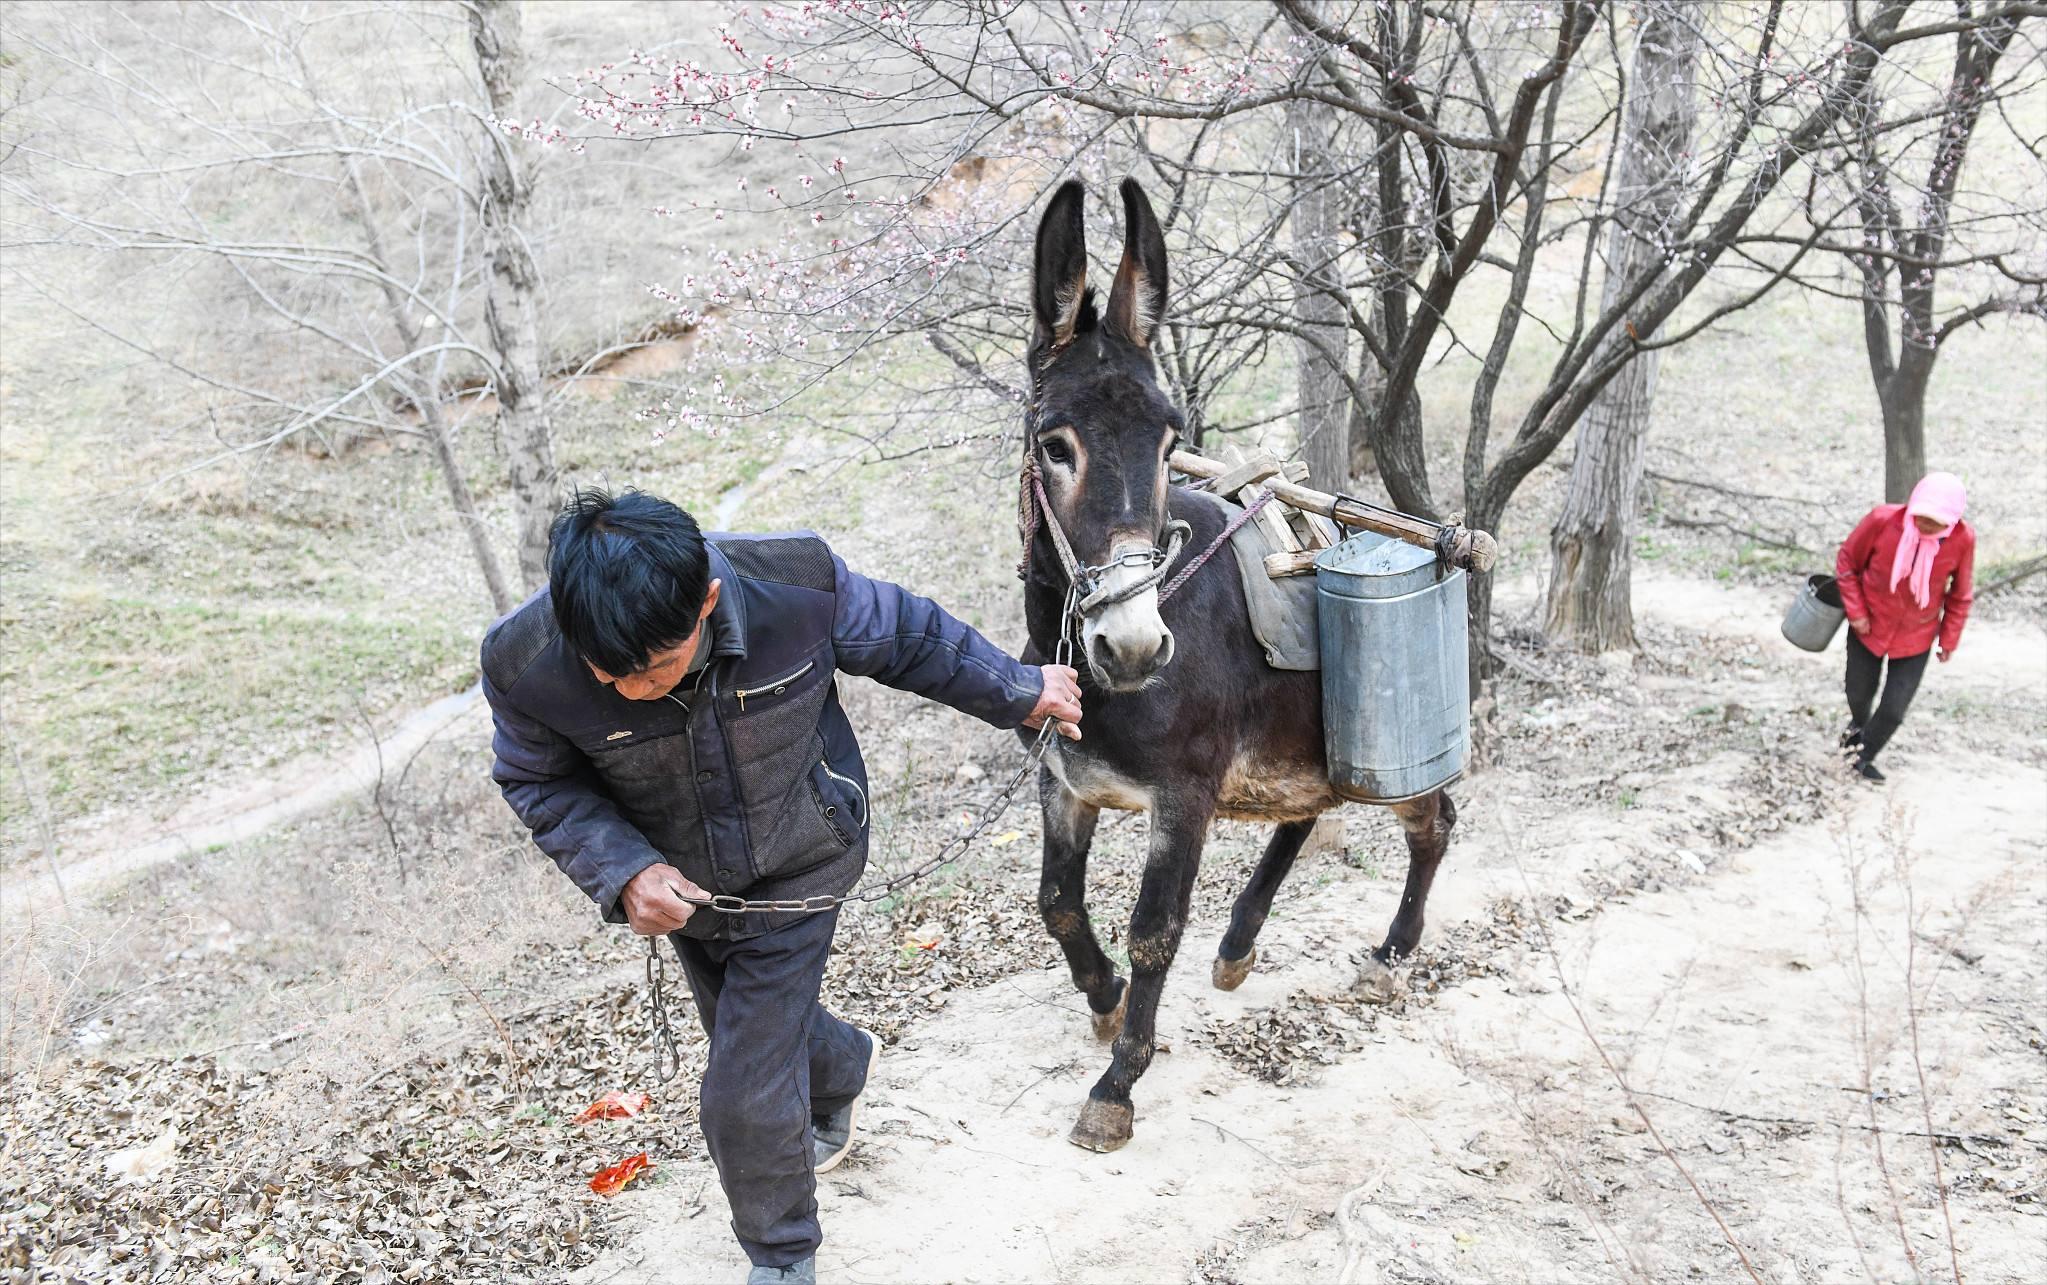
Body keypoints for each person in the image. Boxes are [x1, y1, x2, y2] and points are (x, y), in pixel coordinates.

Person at [481, 488, 1083, 1285]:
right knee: (750, 1030)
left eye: (654, 668)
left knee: (741, 1082)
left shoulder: (794, 582)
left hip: (803, 856)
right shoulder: (524, 662)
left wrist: (1018, 688)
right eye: (608, 675)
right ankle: (841, 1065)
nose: (630, 690)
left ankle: (782, 1255)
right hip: (681, 888)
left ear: (707, 601)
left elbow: (910, 638)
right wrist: (624, 870)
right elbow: (539, 781)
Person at [1833, 471, 1974, 782]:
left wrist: (1948, 638)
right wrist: (1856, 612)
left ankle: (1861, 756)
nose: (1925, 525)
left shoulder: (1963, 539)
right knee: (1859, 692)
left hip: (1916, 635)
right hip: (1868, 625)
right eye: (1921, 516)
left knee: (1894, 709)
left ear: (1951, 520)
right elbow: (1847, 562)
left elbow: (1960, 594)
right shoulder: (1881, 521)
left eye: (1936, 521)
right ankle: (1856, 729)